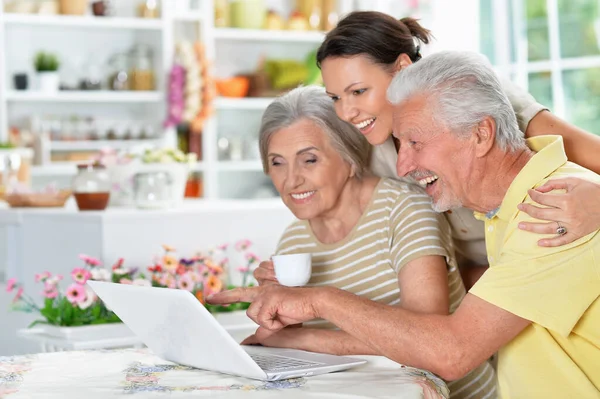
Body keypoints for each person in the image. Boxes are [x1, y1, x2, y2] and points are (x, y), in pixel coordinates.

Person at [207, 51, 600, 399]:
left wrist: (317, 300)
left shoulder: (552, 208)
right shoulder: (503, 207)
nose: (403, 166)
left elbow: (452, 353)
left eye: (415, 142)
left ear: (481, 134)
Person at [315, 10, 600, 286]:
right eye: (335, 98)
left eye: (358, 92)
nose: (346, 112)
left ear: (402, 68)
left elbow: (592, 156)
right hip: (486, 285)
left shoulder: (473, 96)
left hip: (555, 264)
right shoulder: (368, 155)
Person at [252, 85, 495, 399]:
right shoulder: (294, 239)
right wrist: (276, 317)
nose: (291, 180)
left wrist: (301, 340)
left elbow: (426, 340)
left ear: (349, 155)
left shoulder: (404, 209)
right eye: (277, 163)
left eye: (309, 160)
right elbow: (296, 346)